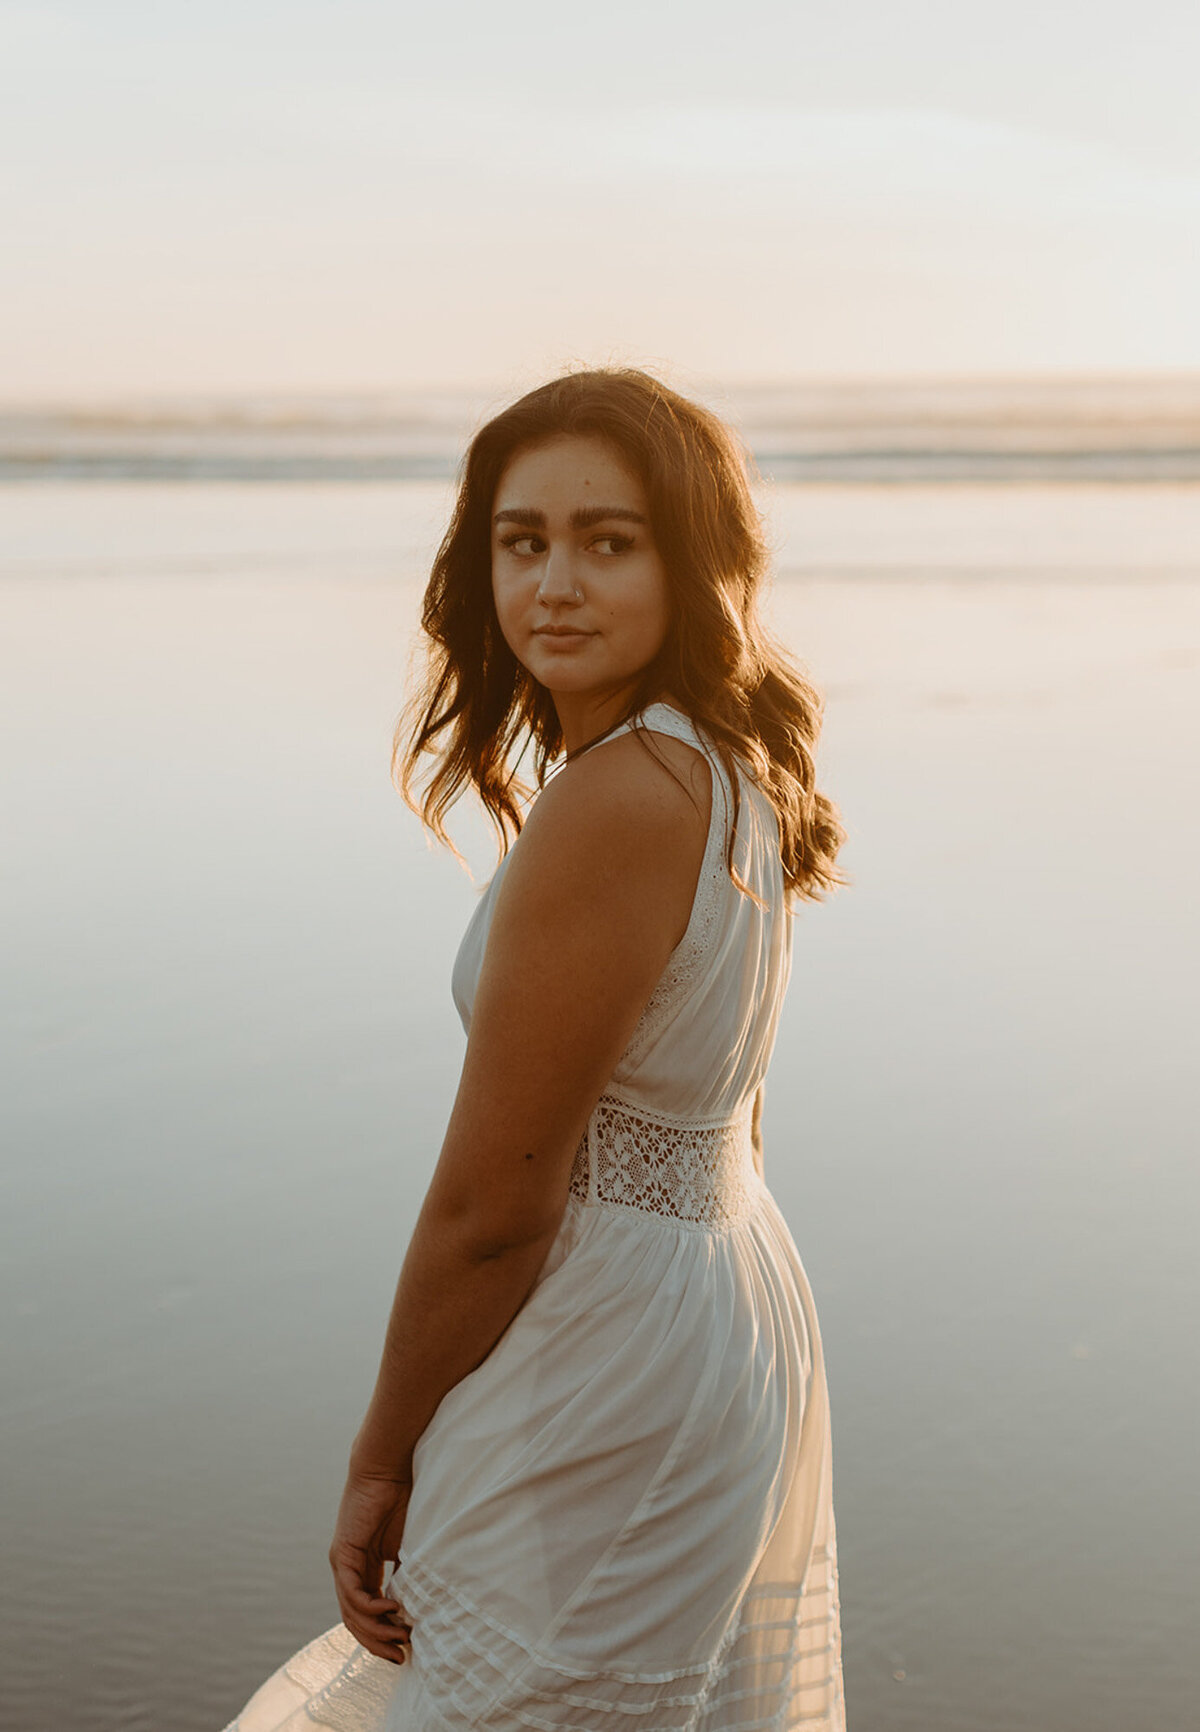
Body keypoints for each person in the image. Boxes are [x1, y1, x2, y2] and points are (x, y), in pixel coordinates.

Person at [223, 366, 848, 1732]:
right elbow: (733, 1107)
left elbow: (492, 1210)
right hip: (718, 1301)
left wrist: (379, 1461)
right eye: (524, 542)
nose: (556, 582)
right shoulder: (730, 765)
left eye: (609, 541)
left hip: (609, 1336)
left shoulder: (620, 795)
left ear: (693, 564)